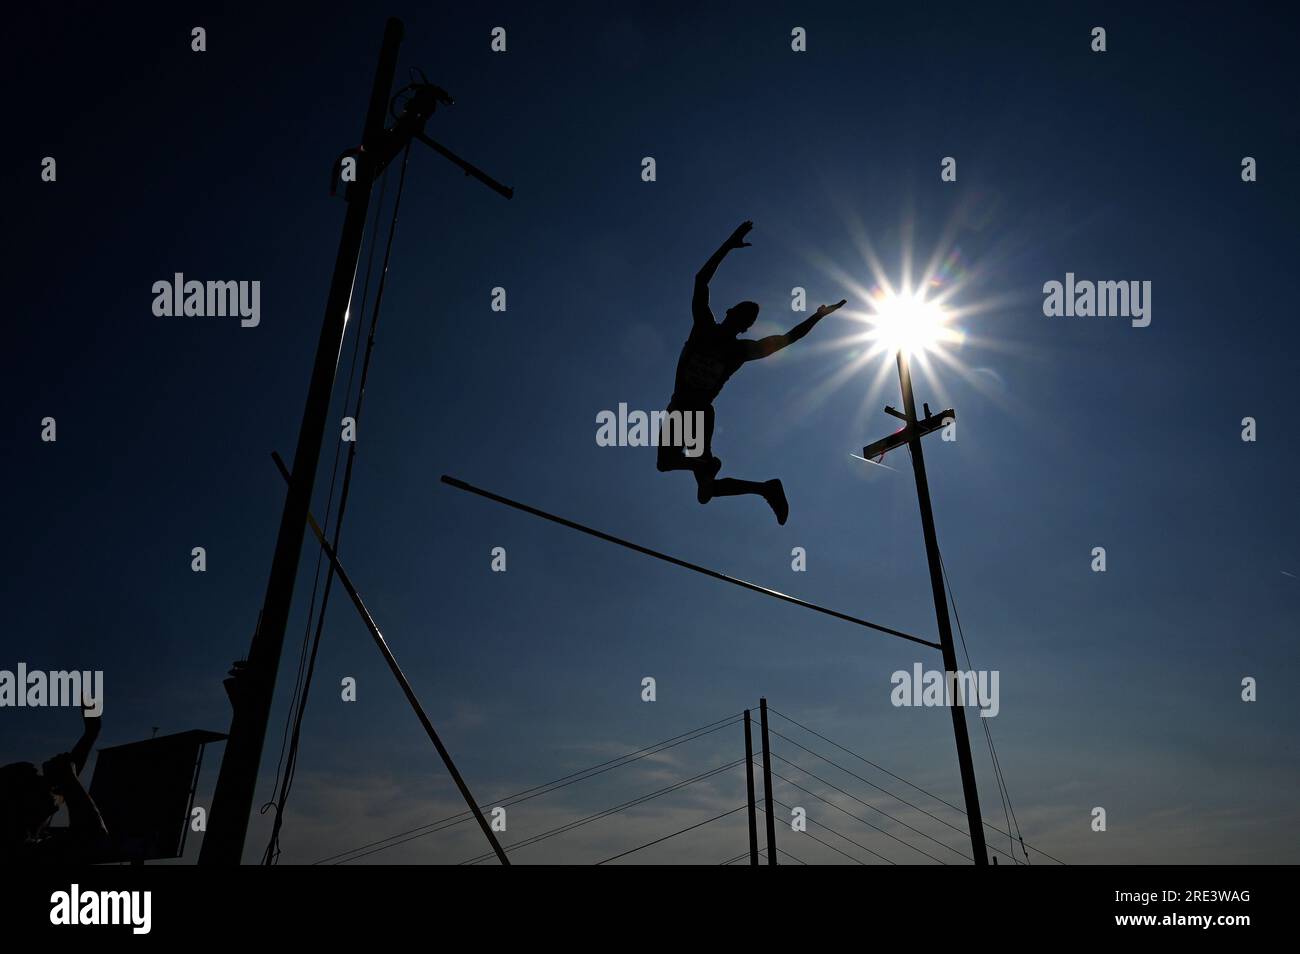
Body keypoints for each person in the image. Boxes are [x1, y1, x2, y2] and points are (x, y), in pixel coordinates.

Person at [657, 220, 846, 524]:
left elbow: (787, 339)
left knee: (668, 464)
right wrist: (728, 244)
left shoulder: (734, 347)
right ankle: (764, 487)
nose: (739, 323)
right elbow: (700, 282)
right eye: (741, 317)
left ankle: (703, 463)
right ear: (731, 313)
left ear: (741, 324)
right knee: (706, 491)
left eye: (744, 321)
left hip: (693, 411)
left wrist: (817, 316)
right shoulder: (710, 331)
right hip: (687, 410)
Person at [0, 705, 108, 864]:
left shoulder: (21, 843)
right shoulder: (21, 856)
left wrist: (91, 733)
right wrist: (68, 779)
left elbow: (64, 781)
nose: (48, 786)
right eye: (36, 782)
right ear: (19, 801)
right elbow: (94, 837)